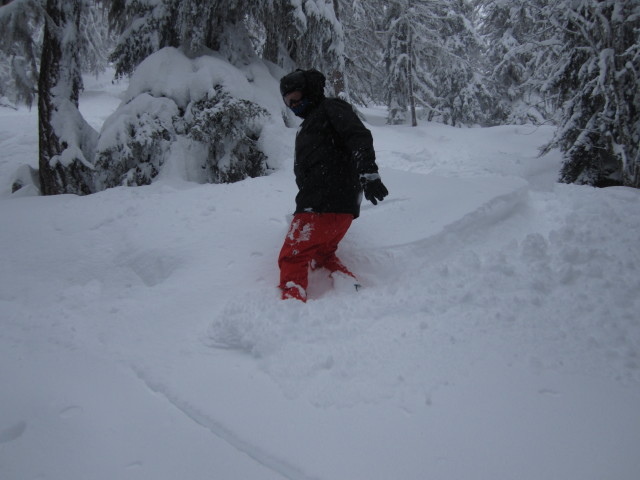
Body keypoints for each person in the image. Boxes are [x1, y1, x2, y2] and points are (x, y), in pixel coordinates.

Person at [278, 68, 388, 302]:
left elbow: (358, 135)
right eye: (288, 103)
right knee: (323, 254)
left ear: (310, 91)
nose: (293, 105)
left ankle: (290, 306)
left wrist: (369, 172)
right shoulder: (312, 121)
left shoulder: (329, 108)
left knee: (292, 257)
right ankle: (349, 290)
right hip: (340, 209)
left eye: (296, 98)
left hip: (319, 206)